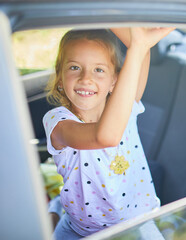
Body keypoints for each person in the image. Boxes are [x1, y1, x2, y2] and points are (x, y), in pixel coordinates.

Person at [43, 27, 175, 239]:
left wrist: (136, 40)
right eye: (75, 67)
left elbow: (141, 54)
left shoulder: (125, 109)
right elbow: (104, 136)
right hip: (81, 231)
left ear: (116, 81)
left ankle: (54, 208)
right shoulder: (57, 121)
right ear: (60, 78)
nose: (86, 78)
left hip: (138, 223)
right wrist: (138, 45)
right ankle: (55, 209)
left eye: (99, 70)